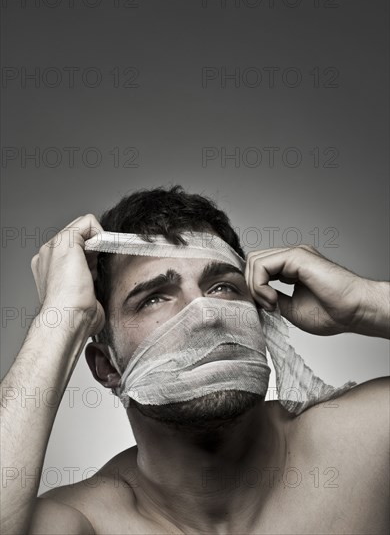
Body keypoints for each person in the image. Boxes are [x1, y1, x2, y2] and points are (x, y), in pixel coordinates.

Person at [1, 186, 389, 535]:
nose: (206, 314)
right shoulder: (86, 523)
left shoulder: (367, 448)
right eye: (154, 297)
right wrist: (62, 317)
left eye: (222, 287)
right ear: (108, 367)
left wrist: (365, 303)